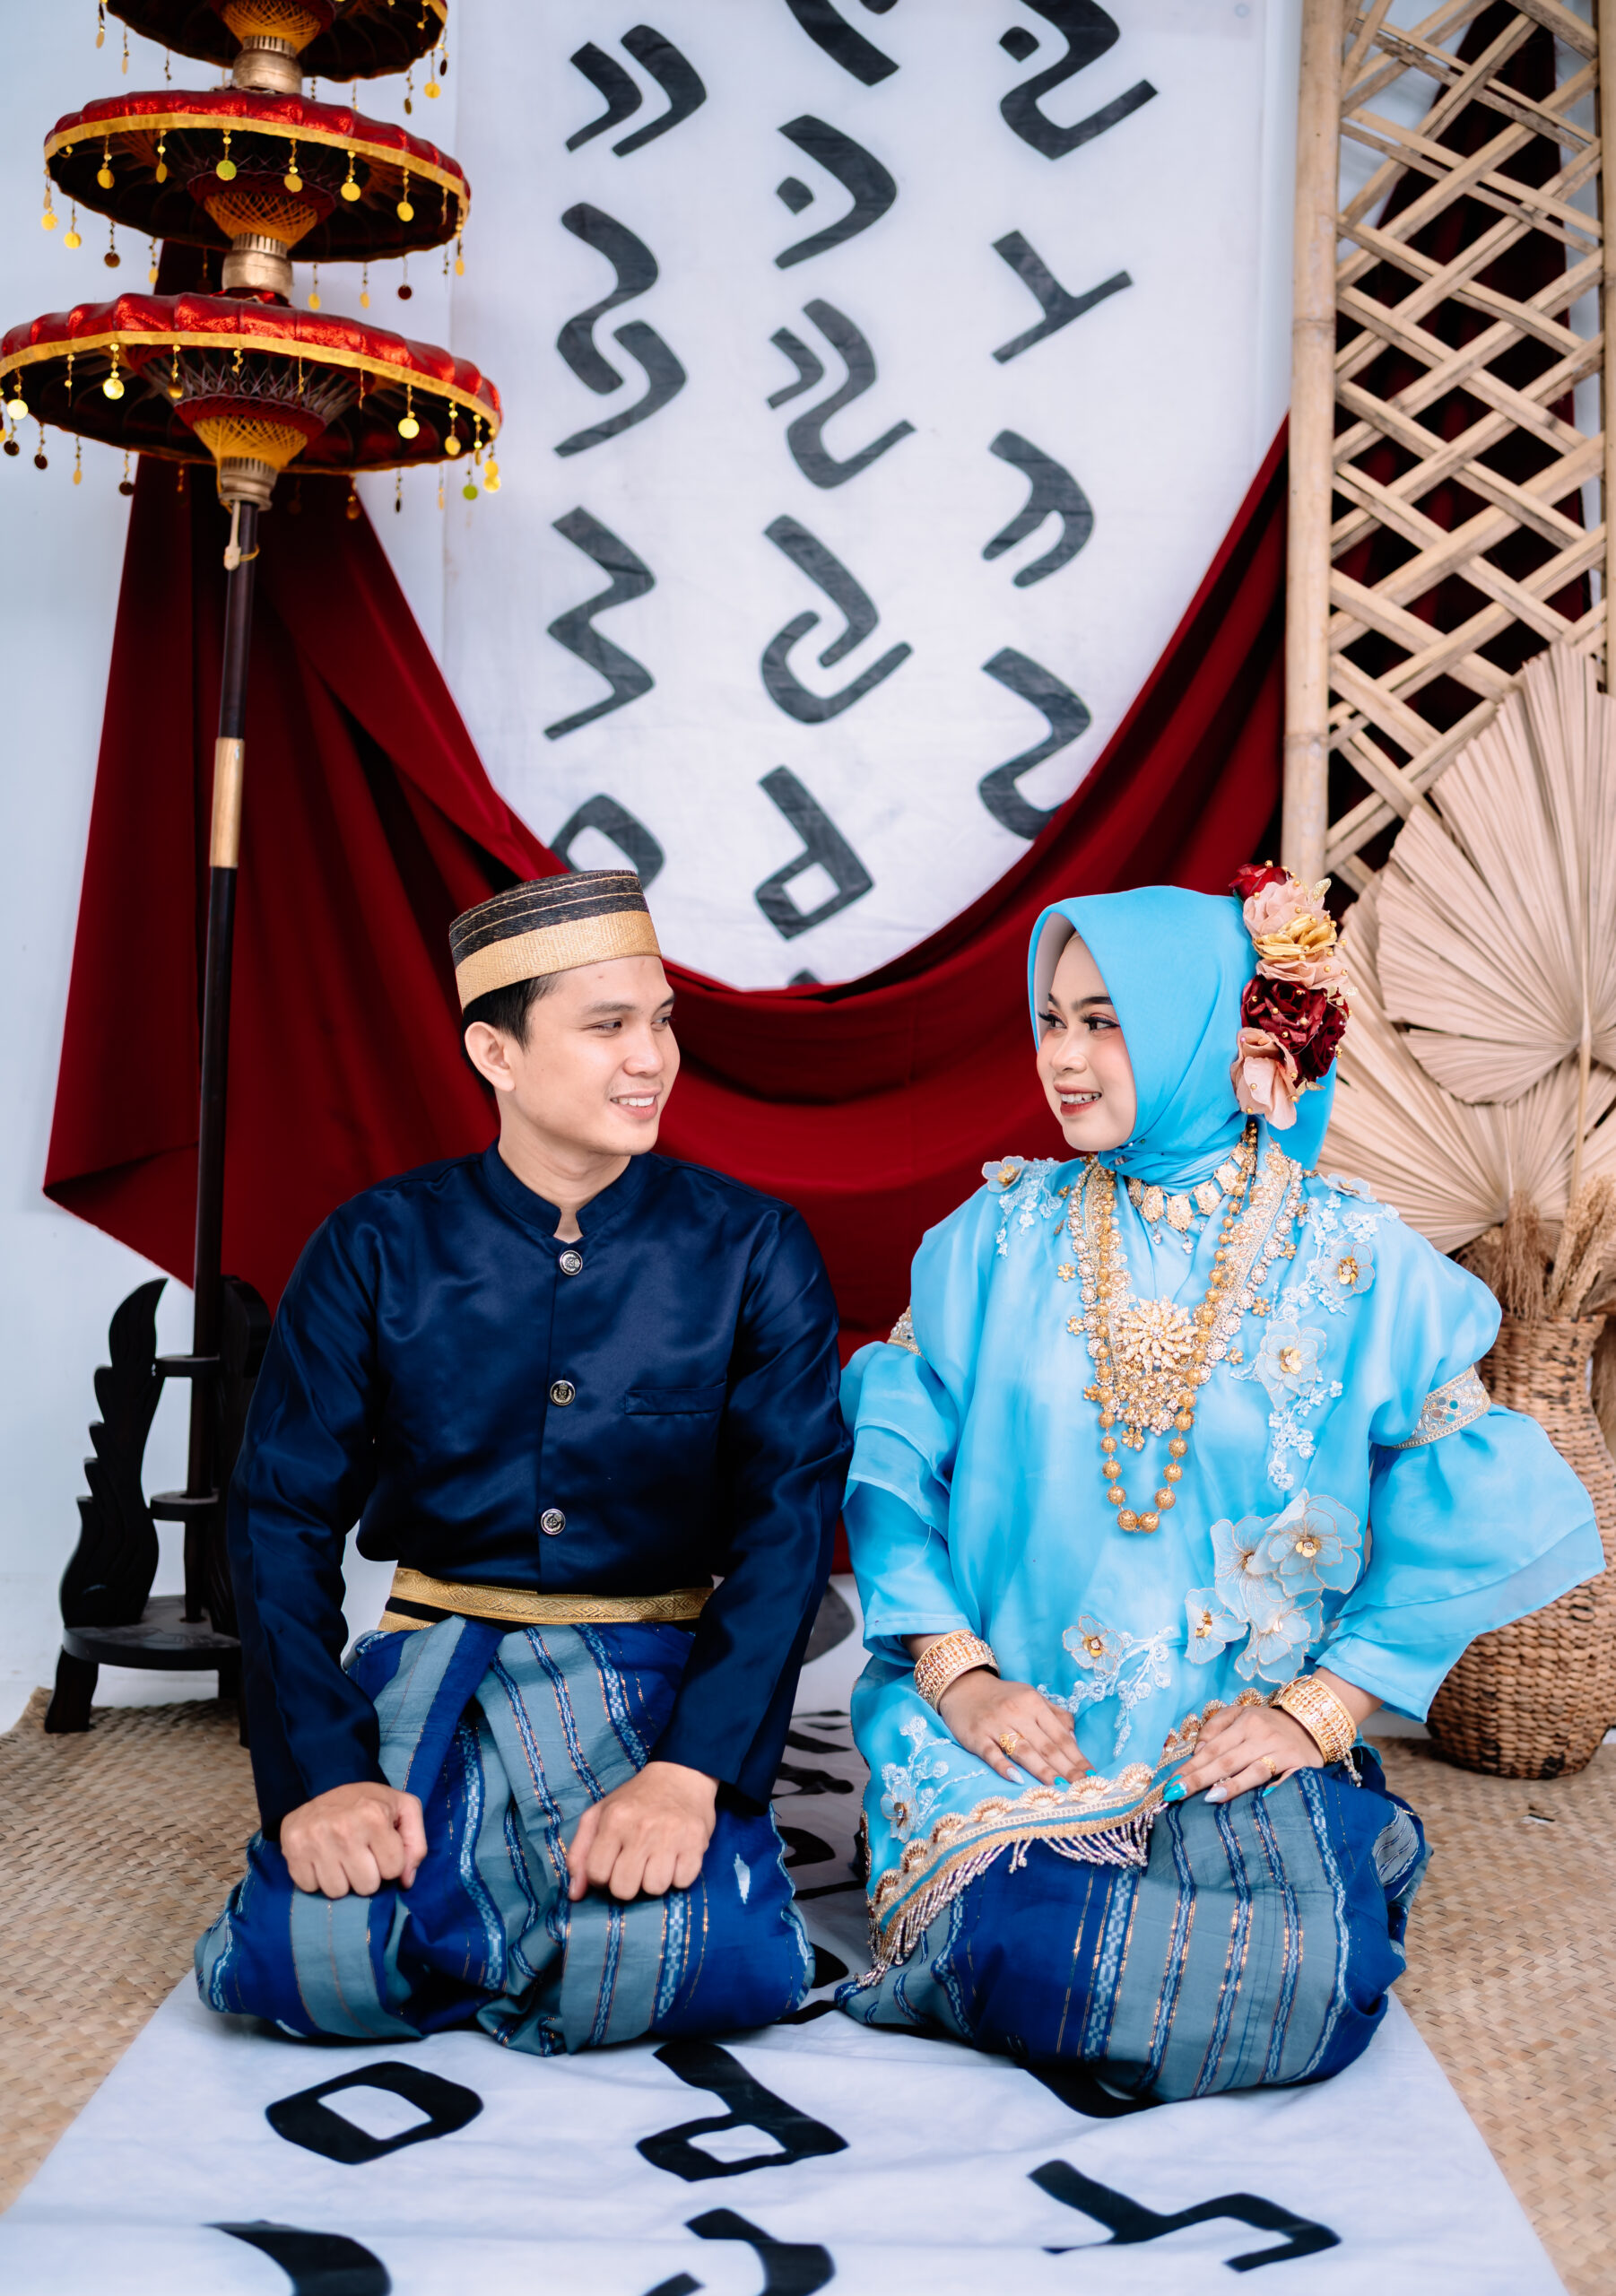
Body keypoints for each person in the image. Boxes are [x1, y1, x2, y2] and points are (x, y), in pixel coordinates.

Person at [836, 874, 1601, 2096]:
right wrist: (958, 1677)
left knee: (1298, 1982)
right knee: (1026, 1947)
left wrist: (1321, 1713)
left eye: (1105, 1022)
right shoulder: (993, 1237)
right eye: (1049, 1020)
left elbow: (1475, 1500)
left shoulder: (1353, 1258)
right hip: (1011, 1740)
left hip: (1231, 1746)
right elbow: (890, 1469)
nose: (1063, 1058)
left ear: (1208, 1029)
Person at [196, 871, 849, 2052]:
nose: (650, 1058)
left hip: (660, 1673)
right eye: (607, 1026)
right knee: (310, 1962)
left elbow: (787, 1529)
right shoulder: (374, 1246)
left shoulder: (753, 1248)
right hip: (434, 1661)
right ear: (494, 1052)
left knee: (707, 1961)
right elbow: (278, 1517)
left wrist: (689, 1775)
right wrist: (323, 1777)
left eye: (661, 1022)